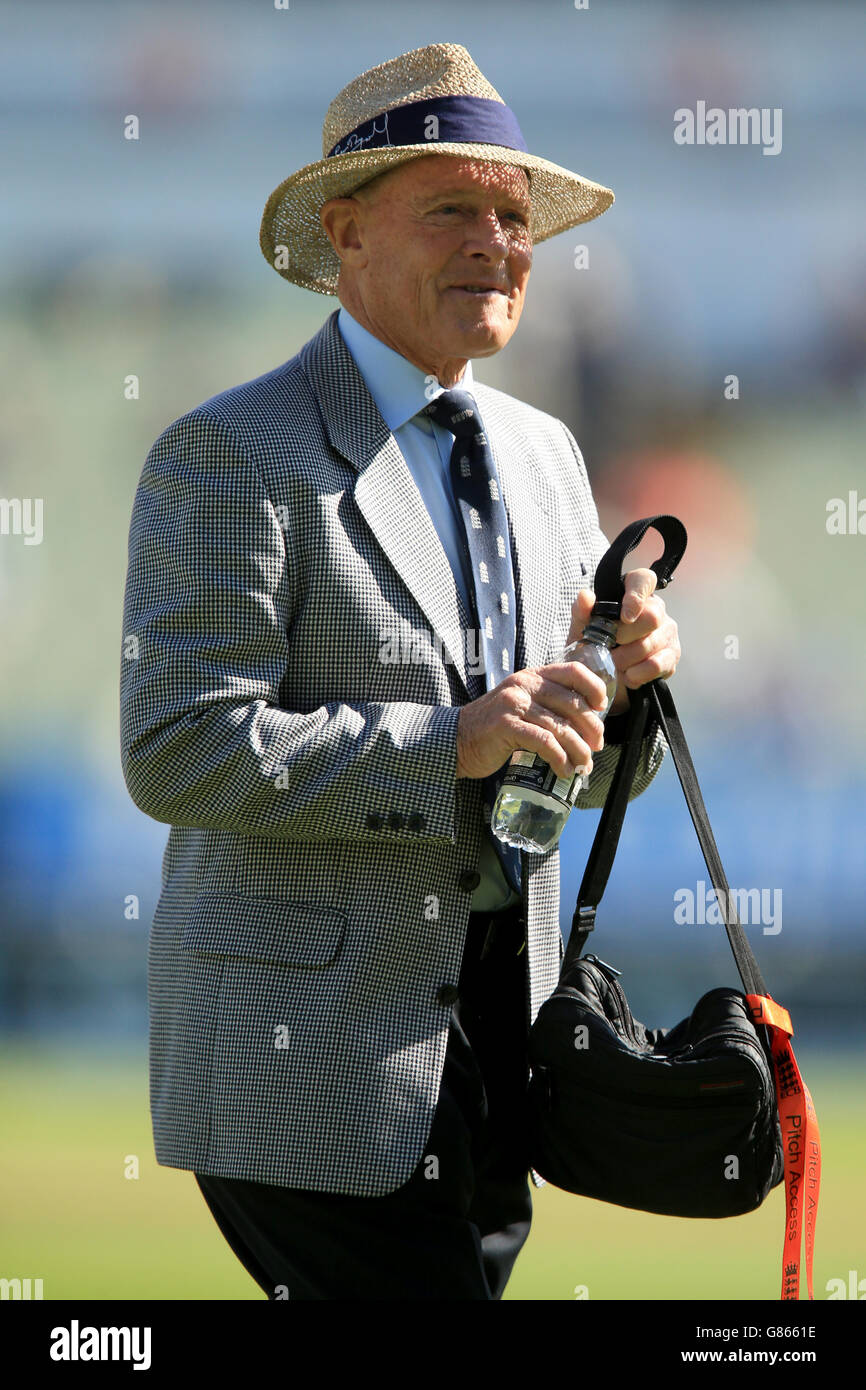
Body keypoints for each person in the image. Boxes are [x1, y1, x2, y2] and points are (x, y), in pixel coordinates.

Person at [119, 41, 681, 1300]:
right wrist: (458, 741)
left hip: (497, 1047)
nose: (496, 241)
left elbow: (571, 774)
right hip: (311, 1063)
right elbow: (177, 746)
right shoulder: (226, 454)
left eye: (511, 216)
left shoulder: (544, 456)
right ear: (345, 232)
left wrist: (625, 686)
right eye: (450, 210)